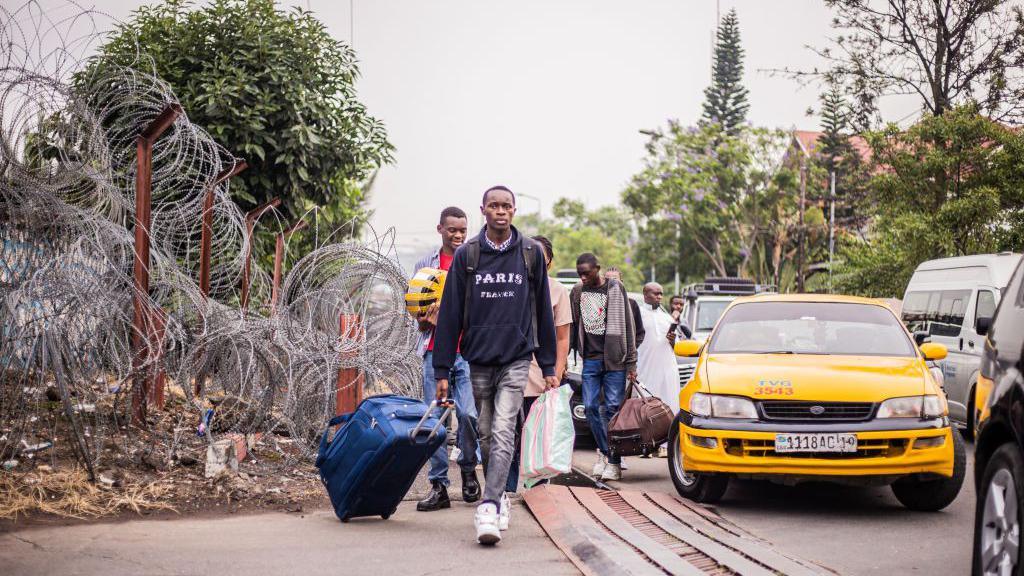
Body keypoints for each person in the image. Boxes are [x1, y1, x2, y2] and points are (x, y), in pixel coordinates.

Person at [432, 185, 558, 545]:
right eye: (494, 206)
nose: (500, 211)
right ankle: (500, 493)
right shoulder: (468, 255)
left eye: (507, 206)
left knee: (504, 428)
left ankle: (488, 505)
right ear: (484, 210)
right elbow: (451, 314)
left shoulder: (530, 253)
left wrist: (548, 364)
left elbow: (542, 314)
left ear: (514, 211)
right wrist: (442, 369)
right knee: (485, 433)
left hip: (517, 357)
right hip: (479, 359)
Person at [411, 207, 481, 512]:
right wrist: (427, 319)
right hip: (433, 351)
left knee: (469, 415)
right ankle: (439, 485)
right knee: (435, 422)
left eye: (463, 230)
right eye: (453, 230)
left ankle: (467, 467)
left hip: (466, 353)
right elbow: (416, 314)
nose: (458, 235)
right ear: (440, 229)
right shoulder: (425, 265)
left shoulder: (474, 263)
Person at [506, 235, 572, 493]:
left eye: (540, 262)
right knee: (509, 435)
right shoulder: (512, 286)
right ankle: (508, 490)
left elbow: (563, 338)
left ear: (550, 264)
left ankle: (538, 490)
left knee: (540, 435)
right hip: (511, 372)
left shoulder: (558, 291)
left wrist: (555, 374)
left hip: (543, 376)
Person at [569, 253, 637, 482]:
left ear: (597, 269)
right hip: (590, 359)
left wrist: (632, 362)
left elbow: (628, 325)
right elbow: (573, 325)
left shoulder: (616, 288)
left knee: (612, 410)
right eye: (580, 273)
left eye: (586, 272)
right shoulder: (578, 291)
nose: (583, 276)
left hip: (614, 361)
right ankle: (608, 454)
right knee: (589, 407)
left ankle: (614, 463)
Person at [636, 283, 682, 457]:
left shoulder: (666, 317)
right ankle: (646, 445)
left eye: (661, 294)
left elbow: (674, 345)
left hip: (666, 367)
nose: (660, 297)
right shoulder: (638, 314)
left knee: (668, 403)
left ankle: (666, 445)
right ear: (645, 294)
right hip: (645, 367)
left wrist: (672, 339)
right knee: (645, 406)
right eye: (656, 294)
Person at [604, 267, 646, 347]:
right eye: (607, 279)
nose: (611, 282)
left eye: (615, 279)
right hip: (601, 355)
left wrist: (630, 350)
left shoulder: (631, 304)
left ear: (621, 282)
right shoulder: (598, 302)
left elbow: (640, 332)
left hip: (625, 356)